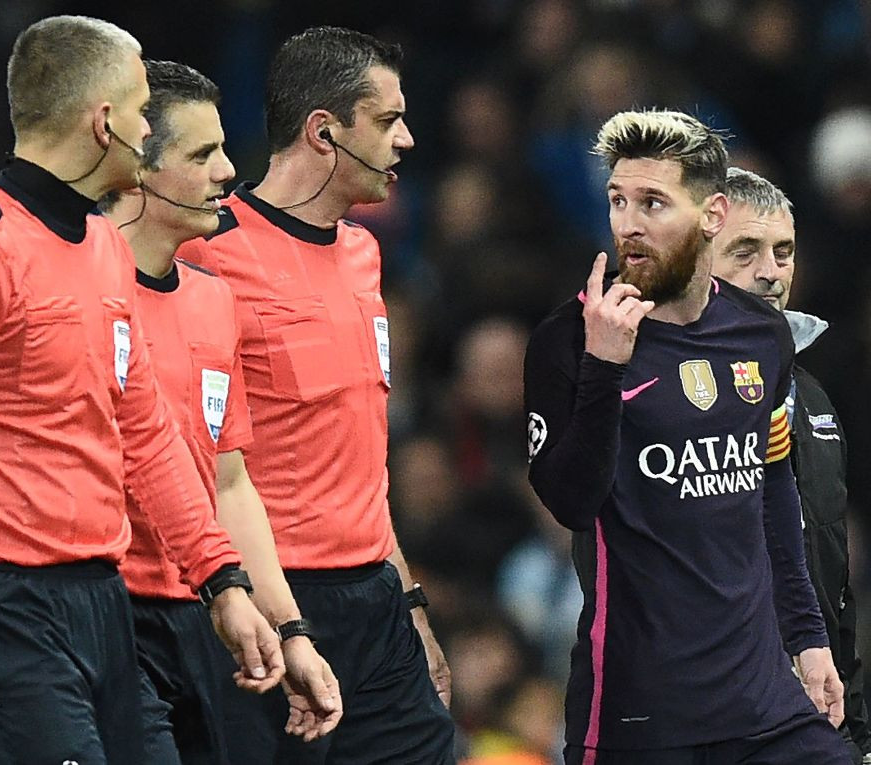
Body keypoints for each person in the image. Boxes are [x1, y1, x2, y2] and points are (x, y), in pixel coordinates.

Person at [0, 16, 284, 765]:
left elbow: (145, 431)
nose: (144, 124)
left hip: (102, 602)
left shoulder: (100, 248)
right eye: (138, 110)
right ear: (104, 123)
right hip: (1, 607)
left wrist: (222, 578)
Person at [522, 109, 850, 764]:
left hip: (763, 702)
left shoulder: (762, 333)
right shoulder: (570, 338)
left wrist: (808, 639)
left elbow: (773, 490)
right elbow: (570, 502)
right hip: (641, 710)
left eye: (652, 202)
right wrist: (605, 369)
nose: (628, 223)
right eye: (618, 201)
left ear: (713, 214)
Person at [178, 25, 456, 765]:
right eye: (389, 120)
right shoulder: (206, 252)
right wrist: (258, 613)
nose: (407, 140)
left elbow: (360, 457)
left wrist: (410, 603)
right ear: (325, 132)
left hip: (377, 600)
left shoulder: (365, 252)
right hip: (271, 607)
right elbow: (197, 464)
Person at [100, 59, 342, 763]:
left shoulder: (212, 299)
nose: (229, 171)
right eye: (202, 154)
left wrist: (290, 627)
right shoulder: (75, 291)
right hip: (101, 612)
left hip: (205, 614)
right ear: (138, 170)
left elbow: (229, 483)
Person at [711, 167, 871, 764]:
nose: (770, 273)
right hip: (713, 719)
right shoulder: (653, 390)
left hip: (814, 715)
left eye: (784, 252)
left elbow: (833, 581)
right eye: (744, 251)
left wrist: (855, 726)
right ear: (695, 258)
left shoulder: (814, 397)